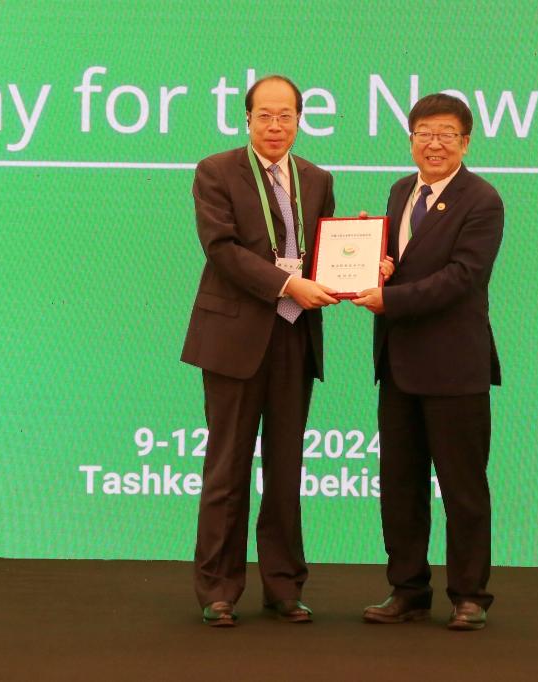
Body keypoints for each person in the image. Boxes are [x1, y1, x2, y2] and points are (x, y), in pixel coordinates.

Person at [181, 75, 339, 627]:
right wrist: (287, 283)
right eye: (265, 116)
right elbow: (221, 249)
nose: (276, 126)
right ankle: (219, 589)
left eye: (286, 116)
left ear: (300, 120)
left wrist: (361, 260)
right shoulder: (216, 171)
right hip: (234, 339)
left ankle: (284, 587)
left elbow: (322, 252)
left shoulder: (317, 179)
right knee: (227, 468)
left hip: (295, 336)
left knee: (286, 468)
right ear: (247, 119)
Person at [353, 93, 504, 631]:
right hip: (399, 366)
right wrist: (374, 260)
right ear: (411, 138)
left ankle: (469, 596)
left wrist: (390, 298)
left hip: (454, 368)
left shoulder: (482, 200)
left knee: (462, 489)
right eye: (424, 133)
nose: (434, 144)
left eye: (446, 134)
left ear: (466, 142)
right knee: (400, 486)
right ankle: (408, 591)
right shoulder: (401, 191)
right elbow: (405, 263)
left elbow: (463, 277)